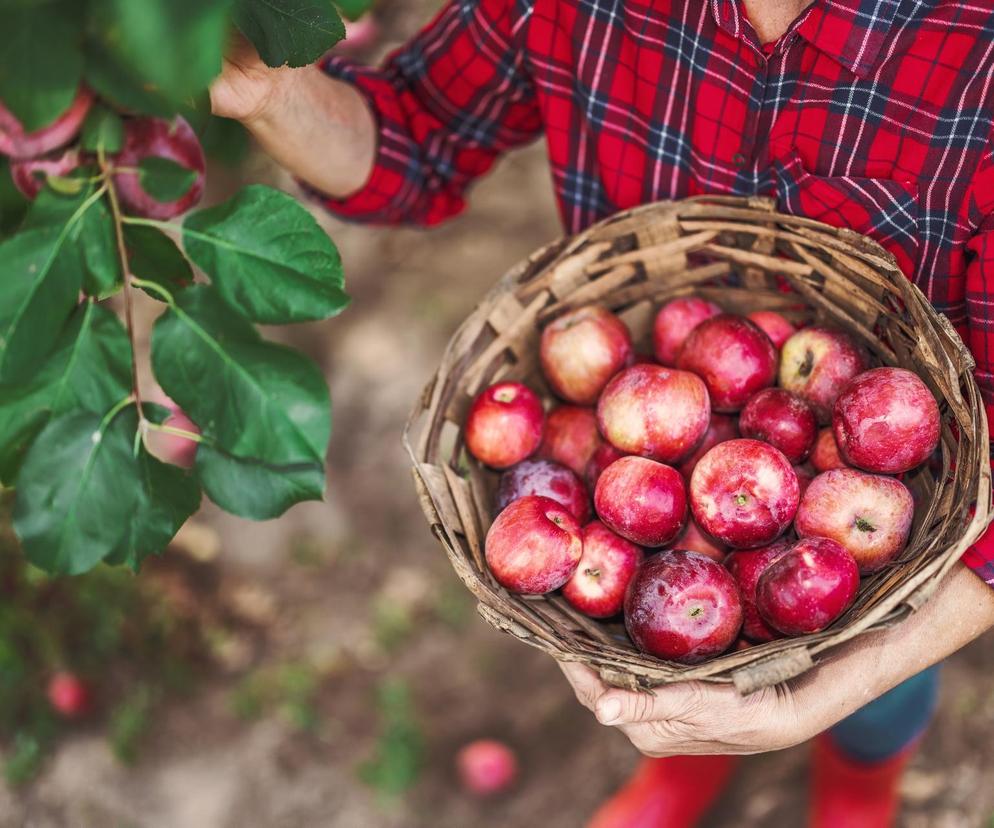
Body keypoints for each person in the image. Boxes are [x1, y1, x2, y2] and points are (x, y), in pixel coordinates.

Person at [211, 1, 994, 824]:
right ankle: (691, 764)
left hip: (908, 515)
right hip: (673, 431)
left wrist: (824, 697)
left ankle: (861, 782)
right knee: (665, 642)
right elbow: (415, 134)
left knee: (879, 690)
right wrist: (272, 97)